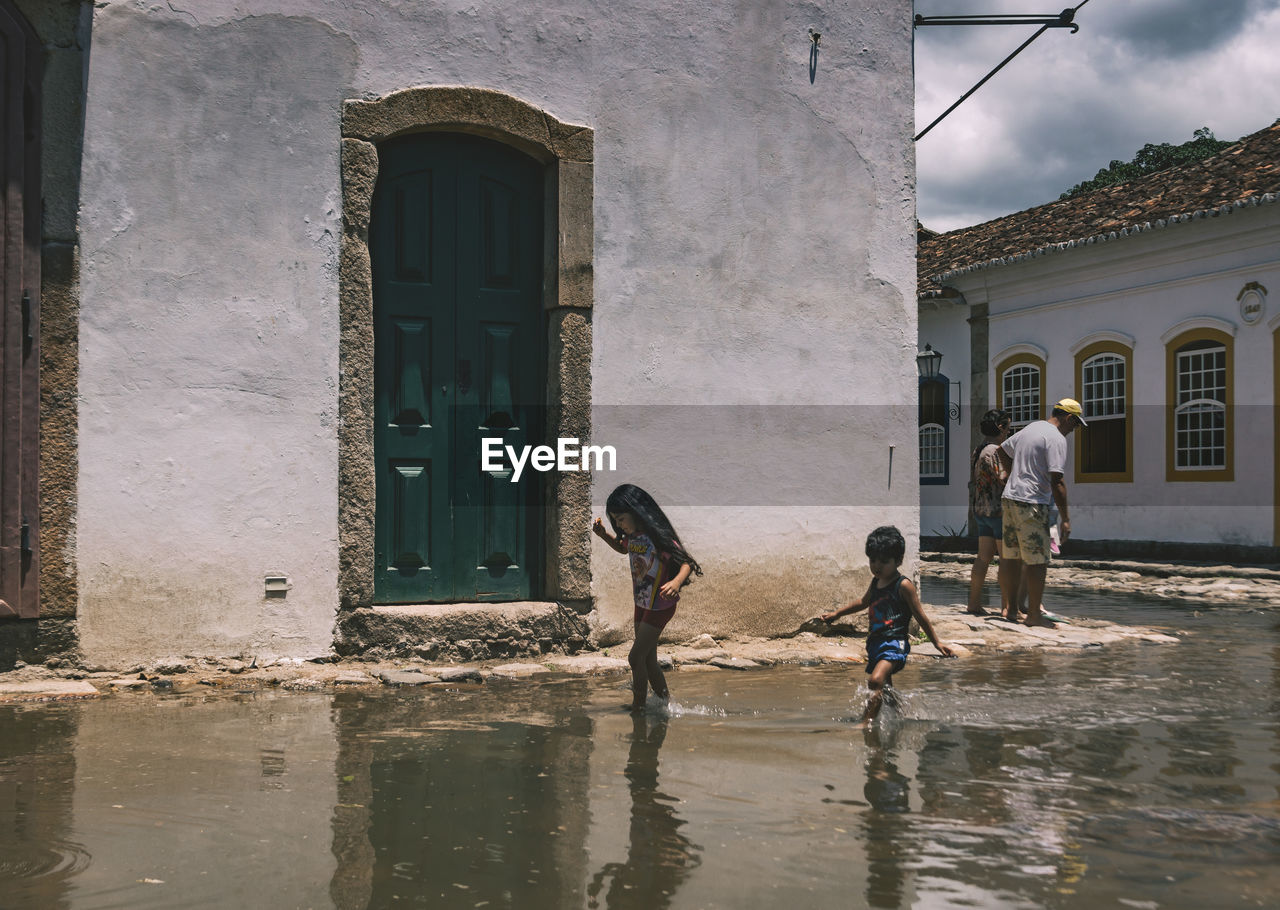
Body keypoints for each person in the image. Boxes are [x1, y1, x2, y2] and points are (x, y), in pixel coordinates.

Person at [819, 526, 955, 727]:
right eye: (873, 560)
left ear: (898, 561)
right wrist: (837, 613)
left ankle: (866, 723)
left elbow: (920, 615)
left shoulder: (903, 585)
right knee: (886, 689)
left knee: (875, 681)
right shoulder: (876, 582)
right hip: (875, 642)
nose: (877, 566)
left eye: (884, 561)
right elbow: (863, 602)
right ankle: (900, 718)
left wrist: (937, 643)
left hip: (895, 643)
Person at [593, 484, 702, 711]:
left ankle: (639, 708)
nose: (619, 524)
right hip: (642, 603)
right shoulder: (633, 537)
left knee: (635, 658)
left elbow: (686, 563)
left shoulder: (657, 538)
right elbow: (622, 548)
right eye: (616, 520)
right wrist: (604, 535)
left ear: (638, 512)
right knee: (648, 660)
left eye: (621, 519)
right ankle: (664, 705)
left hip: (660, 606)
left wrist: (676, 582)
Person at [997, 398, 1086, 628]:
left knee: (1012, 556)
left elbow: (1003, 450)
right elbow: (1057, 481)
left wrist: (1010, 474)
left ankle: (1011, 610)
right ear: (1068, 418)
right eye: (1075, 425)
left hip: (1010, 498)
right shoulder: (1056, 438)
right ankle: (1034, 614)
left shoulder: (1032, 427)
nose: (1073, 431)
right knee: (1037, 560)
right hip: (1032, 502)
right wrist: (1066, 519)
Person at [967, 408, 1011, 616]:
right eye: (1008, 428)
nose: (1009, 433)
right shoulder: (994, 451)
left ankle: (974, 603)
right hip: (998, 512)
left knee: (982, 558)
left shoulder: (977, 450)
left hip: (980, 510)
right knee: (1006, 560)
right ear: (1001, 428)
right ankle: (1007, 607)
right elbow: (1003, 478)